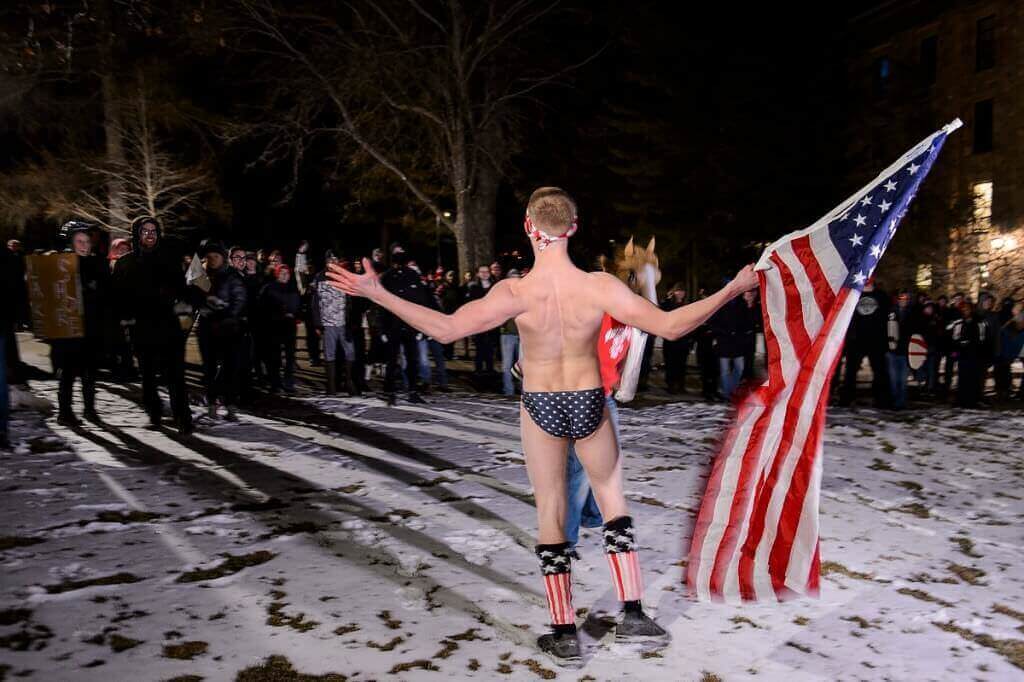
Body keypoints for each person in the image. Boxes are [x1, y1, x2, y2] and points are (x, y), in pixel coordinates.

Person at [327, 187, 757, 664]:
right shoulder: (598, 286)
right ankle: (633, 613)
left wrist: (376, 292)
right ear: (571, 228)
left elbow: (445, 329)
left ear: (530, 228)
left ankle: (564, 631)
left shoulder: (516, 292)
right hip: (589, 398)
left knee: (551, 510)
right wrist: (733, 289)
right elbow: (672, 326)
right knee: (612, 500)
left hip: (541, 403)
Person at [112, 216, 193, 434]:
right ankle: (154, 414)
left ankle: (183, 418)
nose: (150, 234)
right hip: (142, 326)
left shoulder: (169, 258)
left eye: (154, 230)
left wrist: (186, 301)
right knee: (147, 376)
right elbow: (118, 296)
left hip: (168, 323)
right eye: (145, 230)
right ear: (137, 234)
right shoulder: (125, 262)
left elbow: (183, 288)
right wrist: (124, 318)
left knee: (176, 374)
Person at [50, 222, 109, 425]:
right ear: (71, 243)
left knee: (90, 373)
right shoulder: (62, 263)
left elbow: (107, 294)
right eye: (79, 242)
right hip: (69, 330)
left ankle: (90, 410)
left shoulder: (98, 264)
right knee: (67, 373)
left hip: (91, 328)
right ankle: (65, 412)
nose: (84, 245)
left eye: (87, 241)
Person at [194, 241, 247, 420]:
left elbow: (239, 300)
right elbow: (193, 297)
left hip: (228, 330)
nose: (212, 260)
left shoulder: (232, 275)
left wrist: (225, 313)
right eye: (209, 257)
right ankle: (211, 405)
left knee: (229, 368)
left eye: (215, 256)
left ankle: (230, 405)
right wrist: (203, 306)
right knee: (208, 369)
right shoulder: (201, 275)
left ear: (223, 257)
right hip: (206, 329)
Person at [380, 243, 428, 405]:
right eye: (396, 252)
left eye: (402, 252)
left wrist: (421, 326)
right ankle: (390, 392)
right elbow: (382, 304)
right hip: (393, 325)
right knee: (392, 361)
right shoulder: (387, 277)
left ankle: (413, 391)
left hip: (410, 325)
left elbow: (421, 301)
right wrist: (382, 329)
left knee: (412, 360)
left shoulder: (413, 275)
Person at [839, 278, 891, 408]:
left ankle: (881, 400)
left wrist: (886, 338)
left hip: (876, 340)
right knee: (850, 372)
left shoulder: (881, 296)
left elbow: (888, 317)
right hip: (857, 340)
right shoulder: (854, 294)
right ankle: (846, 399)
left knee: (880, 371)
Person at [311, 251, 358, 395]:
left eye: (336, 260)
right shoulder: (319, 277)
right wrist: (318, 323)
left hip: (344, 323)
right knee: (330, 355)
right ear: (326, 261)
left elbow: (351, 300)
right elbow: (315, 302)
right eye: (331, 260)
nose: (333, 262)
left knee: (350, 352)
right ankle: (331, 387)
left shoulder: (343, 276)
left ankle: (349, 381)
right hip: (328, 324)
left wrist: (352, 320)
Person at [260, 264, 301, 394]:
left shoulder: (293, 288)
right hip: (274, 326)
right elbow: (263, 306)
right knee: (275, 357)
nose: (284, 275)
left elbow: (298, 305)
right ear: (277, 274)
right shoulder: (269, 288)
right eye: (282, 272)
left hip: (289, 326)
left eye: (287, 273)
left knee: (290, 357)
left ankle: (289, 384)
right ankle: (275, 383)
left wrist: (295, 314)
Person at [710, 289, 754, 400]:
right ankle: (727, 393)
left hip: (737, 343)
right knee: (725, 370)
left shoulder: (741, 304)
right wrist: (723, 332)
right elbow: (713, 323)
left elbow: (747, 321)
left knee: (740, 368)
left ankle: (730, 390)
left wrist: (744, 333)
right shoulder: (719, 305)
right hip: (724, 342)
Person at [466, 264, 497, 374]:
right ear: (478, 274)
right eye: (482, 272)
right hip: (479, 322)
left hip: (492, 321)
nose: (484, 274)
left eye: (486, 271)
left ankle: (490, 369)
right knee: (479, 347)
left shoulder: (494, 287)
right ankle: (478, 370)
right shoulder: (474, 288)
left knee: (490, 347)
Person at [660, 284, 690, 393]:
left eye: (682, 291)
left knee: (681, 364)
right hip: (671, 339)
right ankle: (671, 385)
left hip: (683, 339)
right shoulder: (667, 303)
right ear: (674, 292)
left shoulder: (686, 304)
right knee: (670, 364)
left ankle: (681, 385)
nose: (681, 293)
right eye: (678, 291)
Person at [886, 290, 914, 410]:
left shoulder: (911, 314)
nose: (903, 301)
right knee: (893, 379)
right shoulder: (890, 313)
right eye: (901, 298)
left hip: (905, 351)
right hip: (892, 350)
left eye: (905, 299)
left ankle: (901, 403)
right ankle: (893, 402)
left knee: (902, 380)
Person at [499, 269, 523, 396]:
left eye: (517, 277)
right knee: (507, 365)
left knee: (523, 365)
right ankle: (508, 391)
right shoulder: (503, 295)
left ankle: (524, 391)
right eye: (512, 278)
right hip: (508, 334)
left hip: (522, 334)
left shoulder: (525, 293)